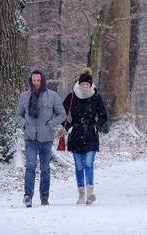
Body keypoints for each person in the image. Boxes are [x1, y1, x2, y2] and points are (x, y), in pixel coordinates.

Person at [16, 70, 65, 207]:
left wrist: (51, 124)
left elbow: (62, 114)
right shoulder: (25, 96)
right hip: (30, 137)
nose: (36, 83)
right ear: (30, 81)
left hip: (47, 138)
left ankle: (44, 197)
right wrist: (24, 124)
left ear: (42, 81)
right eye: (34, 80)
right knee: (30, 166)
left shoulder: (52, 96)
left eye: (38, 80)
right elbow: (18, 114)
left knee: (45, 168)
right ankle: (28, 196)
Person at [62, 67, 108, 205]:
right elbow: (60, 114)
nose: (85, 86)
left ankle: (90, 193)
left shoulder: (96, 97)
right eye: (83, 84)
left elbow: (103, 116)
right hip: (75, 134)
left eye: (87, 84)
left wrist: (96, 127)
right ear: (79, 84)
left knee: (88, 163)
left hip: (90, 134)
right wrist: (68, 127)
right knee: (79, 166)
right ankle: (81, 195)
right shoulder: (71, 97)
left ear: (91, 85)